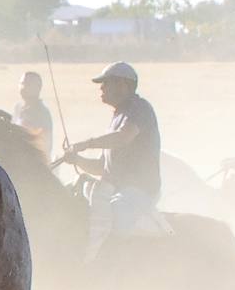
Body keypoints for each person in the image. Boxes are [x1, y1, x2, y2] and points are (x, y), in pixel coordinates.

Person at [59, 62, 166, 257]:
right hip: (116, 189)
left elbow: (124, 137)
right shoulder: (118, 115)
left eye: (106, 83)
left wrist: (86, 144)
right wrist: (77, 160)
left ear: (123, 85)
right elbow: (102, 168)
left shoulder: (140, 108)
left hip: (139, 190)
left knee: (116, 217)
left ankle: (107, 264)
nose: (101, 88)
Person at [12, 71, 54, 155]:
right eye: (22, 83)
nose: (23, 87)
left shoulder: (42, 113)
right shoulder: (18, 107)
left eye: (28, 84)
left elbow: (46, 145)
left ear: (38, 88)